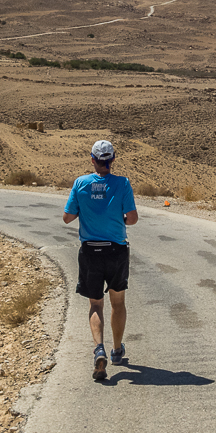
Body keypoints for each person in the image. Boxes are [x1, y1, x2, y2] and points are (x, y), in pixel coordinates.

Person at [63, 139, 138, 380]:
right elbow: (133, 218)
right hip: (116, 250)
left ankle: (99, 349)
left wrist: (86, 211)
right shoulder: (123, 183)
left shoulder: (81, 183)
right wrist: (119, 221)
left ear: (93, 160)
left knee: (96, 304)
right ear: (112, 160)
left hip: (90, 251)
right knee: (118, 302)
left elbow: (67, 217)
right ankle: (117, 350)